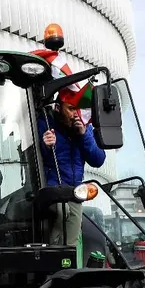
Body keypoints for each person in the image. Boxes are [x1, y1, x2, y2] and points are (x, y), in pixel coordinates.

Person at [36, 99, 106, 245]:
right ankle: (53, 253)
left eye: (79, 109)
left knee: (72, 241)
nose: (76, 114)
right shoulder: (45, 123)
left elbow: (98, 160)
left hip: (74, 192)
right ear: (57, 108)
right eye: (71, 108)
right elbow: (30, 155)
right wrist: (45, 145)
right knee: (62, 212)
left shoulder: (85, 129)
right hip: (50, 189)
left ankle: (68, 260)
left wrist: (84, 135)